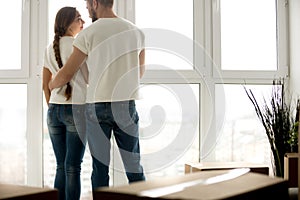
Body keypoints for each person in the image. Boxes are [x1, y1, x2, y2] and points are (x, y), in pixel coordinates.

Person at [48, 0, 146, 193]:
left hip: (97, 107)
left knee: (100, 170)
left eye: (87, 6)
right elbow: (139, 72)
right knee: (134, 167)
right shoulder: (136, 32)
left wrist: (51, 84)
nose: (87, 10)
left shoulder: (87, 34)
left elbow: (68, 72)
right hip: (126, 105)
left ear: (95, 3)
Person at [42, 6, 87, 200]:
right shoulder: (80, 46)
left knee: (61, 165)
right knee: (73, 167)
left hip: (54, 110)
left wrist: (53, 106)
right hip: (76, 110)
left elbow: (45, 84)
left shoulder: (48, 48)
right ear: (68, 22)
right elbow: (90, 77)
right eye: (79, 18)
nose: (82, 22)